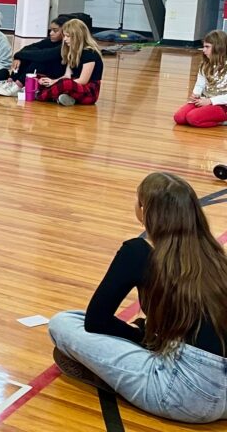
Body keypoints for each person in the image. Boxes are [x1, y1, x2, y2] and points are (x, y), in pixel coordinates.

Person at [49, 172, 227, 424]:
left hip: (182, 395)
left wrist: (142, 339)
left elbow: (95, 321)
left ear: (145, 210)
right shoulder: (215, 256)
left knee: (64, 322)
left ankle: (112, 377)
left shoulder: (138, 252)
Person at [0, 16, 70, 97]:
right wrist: (18, 58)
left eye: (55, 31)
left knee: (37, 61)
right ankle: (10, 82)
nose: (51, 33)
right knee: (26, 57)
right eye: (50, 30)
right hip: (49, 68)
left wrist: (18, 55)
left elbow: (44, 55)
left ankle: (18, 86)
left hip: (59, 72)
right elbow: (28, 48)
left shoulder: (65, 45)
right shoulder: (50, 40)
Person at [37, 18, 103, 106]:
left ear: (78, 36)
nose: (65, 39)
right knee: (40, 78)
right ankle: (64, 98)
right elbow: (67, 75)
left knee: (66, 84)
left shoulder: (90, 53)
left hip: (88, 90)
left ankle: (40, 96)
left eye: (68, 36)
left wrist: (57, 83)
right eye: (64, 36)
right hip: (75, 83)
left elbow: (83, 80)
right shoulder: (72, 51)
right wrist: (53, 81)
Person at [174, 30, 227, 128]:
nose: (203, 50)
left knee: (192, 118)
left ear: (219, 48)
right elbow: (200, 84)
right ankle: (208, 115)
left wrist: (211, 101)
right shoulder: (205, 65)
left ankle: (223, 118)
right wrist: (195, 95)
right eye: (204, 46)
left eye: (207, 47)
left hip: (222, 105)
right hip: (205, 100)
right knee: (179, 118)